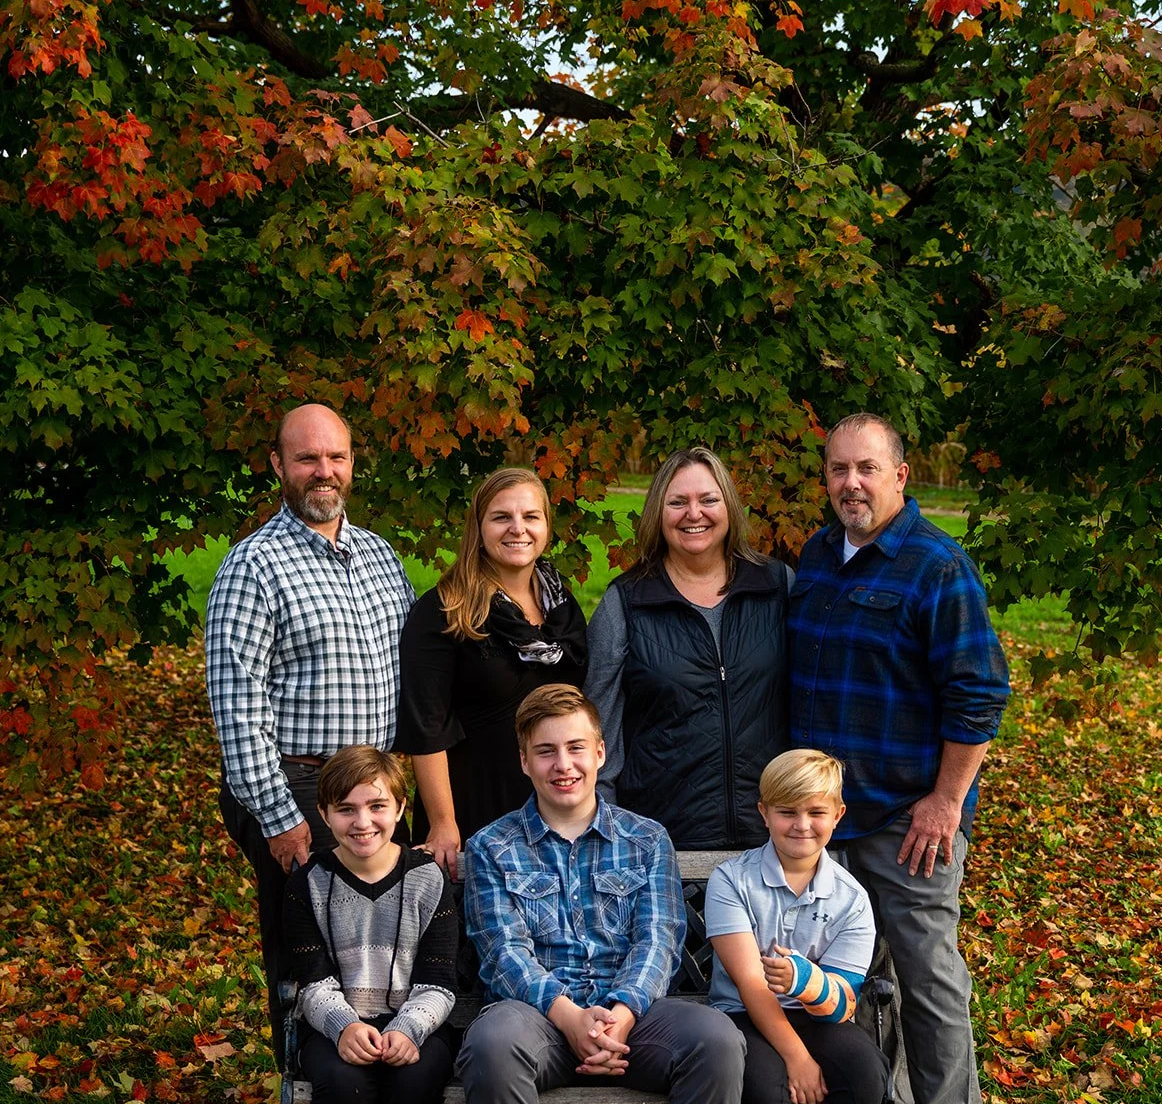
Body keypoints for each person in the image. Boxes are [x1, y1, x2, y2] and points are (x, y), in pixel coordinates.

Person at [458, 684, 747, 1104]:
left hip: (632, 1017)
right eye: (545, 752)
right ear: (523, 761)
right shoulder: (491, 847)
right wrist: (567, 1017)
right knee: (489, 1044)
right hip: (537, 1018)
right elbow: (501, 951)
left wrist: (619, 1014)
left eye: (576, 748)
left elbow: (661, 937)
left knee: (719, 1042)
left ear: (601, 753)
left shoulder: (645, 840)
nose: (563, 764)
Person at [788, 412, 1010, 1104]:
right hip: (827, 823)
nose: (851, 483)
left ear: (901, 476)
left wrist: (946, 801)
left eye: (867, 469)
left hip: (908, 820)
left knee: (925, 970)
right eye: (838, 469)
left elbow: (979, 694)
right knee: (857, 970)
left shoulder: (936, 568)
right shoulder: (817, 558)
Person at [206, 403, 417, 1059]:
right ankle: (313, 1097)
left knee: (387, 952)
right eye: (307, 458)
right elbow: (237, 712)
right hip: (299, 786)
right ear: (278, 465)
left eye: (336, 457)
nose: (323, 472)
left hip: (381, 788)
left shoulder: (382, 558)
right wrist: (278, 818)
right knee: (312, 955)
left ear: (352, 464)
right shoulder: (253, 567)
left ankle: (383, 1079)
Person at [705, 749, 887, 1104]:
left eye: (815, 812)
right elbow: (753, 990)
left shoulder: (852, 899)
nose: (801, 825)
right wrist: (798, 1059)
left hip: (814, 1016)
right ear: (764, 813)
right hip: (743, 1018)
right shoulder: (731, 881)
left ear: (837, 815)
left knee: (863, 1069)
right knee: (763, 1087)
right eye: (787, 812)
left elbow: (841, 1006)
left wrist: (806, 980)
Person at [284, 746, 458, 1104]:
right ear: (325, 814)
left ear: (403, 808)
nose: (363, 822)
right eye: (346, 809)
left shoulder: (428, 880)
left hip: (414, 1021)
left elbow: (440, 979)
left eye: (377, 806)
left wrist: (408, 1029)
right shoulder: (309, 881)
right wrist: (344, 1026)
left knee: (415, 1085)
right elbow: (309, 978)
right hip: (335, 1023)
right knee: (342, 1087)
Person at [584, 447, 790, 849]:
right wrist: (603, 822)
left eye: (708, 500)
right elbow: (597, 727)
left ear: (728, 506)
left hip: (774, 835)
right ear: (658, 514)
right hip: (661, 839)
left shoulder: (777, 586)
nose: (694, 514)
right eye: (677, 502)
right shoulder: (626, 602)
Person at [395, 467, 587, 877]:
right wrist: (444, 822)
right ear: (478, 527)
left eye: (531, 516)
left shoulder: (561, 605)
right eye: (501, 517)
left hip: (555, 809)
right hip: (475, 810)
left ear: (547, 527)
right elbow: (426, 728)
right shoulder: (444, 611)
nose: (518, 528)